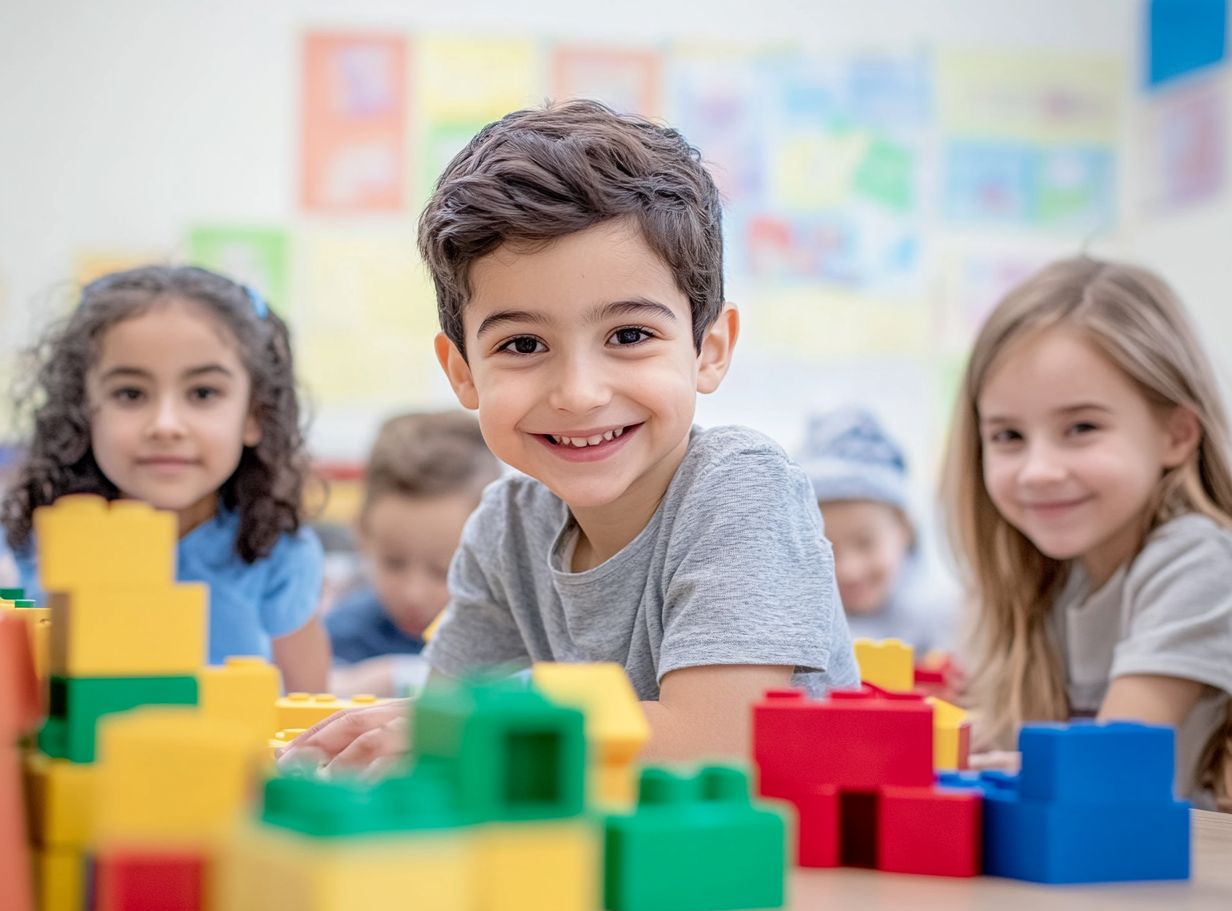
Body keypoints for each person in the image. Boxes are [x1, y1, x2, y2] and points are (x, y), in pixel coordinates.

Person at [281, 99, 858, 776]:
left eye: (630, 336)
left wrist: (469, 728)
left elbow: (717, 742)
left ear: (710, 349)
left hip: (786, 871)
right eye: (524, 344)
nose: (579, 392)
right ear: (463, 373)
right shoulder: (506, 527)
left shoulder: (741, 486)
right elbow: (444, 722)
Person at [942, 255, 1232, 808]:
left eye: (1081, 428)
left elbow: (1112, 765)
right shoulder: (1052, 579)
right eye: (1007, 436)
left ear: (1176, 434)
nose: (1038, 470)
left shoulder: (1197, 559)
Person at [1, 265, 329, 692]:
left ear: (254, 415)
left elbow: (313, 715)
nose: (166, 425)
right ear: (83, 411)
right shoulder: (34, 543)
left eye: (203, 393)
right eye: (130, 394)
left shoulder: (278, 552)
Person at [326, 410, 501, 697]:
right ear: (361, 532)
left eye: (442, 570)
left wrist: (395, 678)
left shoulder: (512, 635)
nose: (413, 594)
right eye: (393, 563)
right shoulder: (345, 633)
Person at [797, 406, 955, 652]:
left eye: (865, 543)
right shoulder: (796, 628)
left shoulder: (945, 620)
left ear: (905, 531)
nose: (849, 570)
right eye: (825, 550)